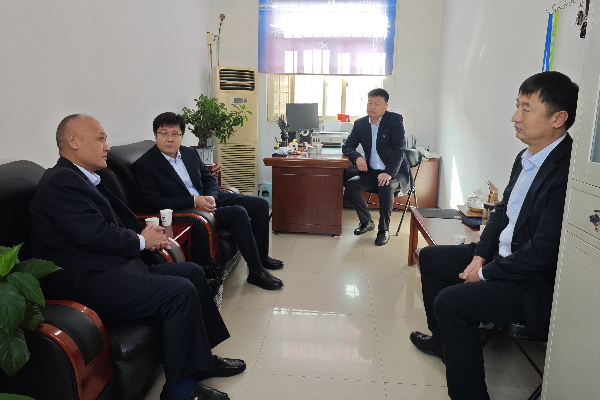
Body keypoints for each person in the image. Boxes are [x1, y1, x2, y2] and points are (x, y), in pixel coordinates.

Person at [30, 114, 245, 400]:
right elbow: (96, 234)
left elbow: (114, 223)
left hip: (111, 267)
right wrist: (142, 240)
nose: (107, 146)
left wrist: (144, 234)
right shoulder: (61, 182)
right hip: (87, 281)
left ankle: (201, 360)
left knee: (192, 272)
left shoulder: (84, 178)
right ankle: (179, 389)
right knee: (179, 292)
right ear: (74, 141)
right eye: (101, 139)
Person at [409, 71, 579, 400]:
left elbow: (543, 253)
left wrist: (486, 273)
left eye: (526, 109)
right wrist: (479, 256)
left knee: (451, 303)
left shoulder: (566, 172)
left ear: (558, 118)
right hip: (505, 257)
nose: (515, 117)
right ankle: (443, 343)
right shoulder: (526, 158)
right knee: (430, 258)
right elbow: (502, 212)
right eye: (517, 106)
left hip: (532, 282)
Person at [132, 112, 284, 290]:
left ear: (181, 136)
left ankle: (262, 257)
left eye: (175, 134)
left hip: (209, 199)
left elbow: (209, 179)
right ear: (155, 135)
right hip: (189, 209)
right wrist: (194, 201)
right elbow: (154, 201)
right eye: (163, 133)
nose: (169, 139)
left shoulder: (189, 153)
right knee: (238, 213)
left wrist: (212, 197)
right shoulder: (145, 165)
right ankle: (256, 273)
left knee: (261, 205)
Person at [342, 88, 412, 246]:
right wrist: (357, 157)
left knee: (385, 185)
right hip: (372, 171)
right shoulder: (360, 124)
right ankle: (366, 221)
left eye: (377, 104)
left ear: (386, 106)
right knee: (351, 184)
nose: (372, 107)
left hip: (394, 173)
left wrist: (388, 173)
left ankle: (383, 230)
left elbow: (399, 149)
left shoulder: (394, 120)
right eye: (369, 103)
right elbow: (347, 146)